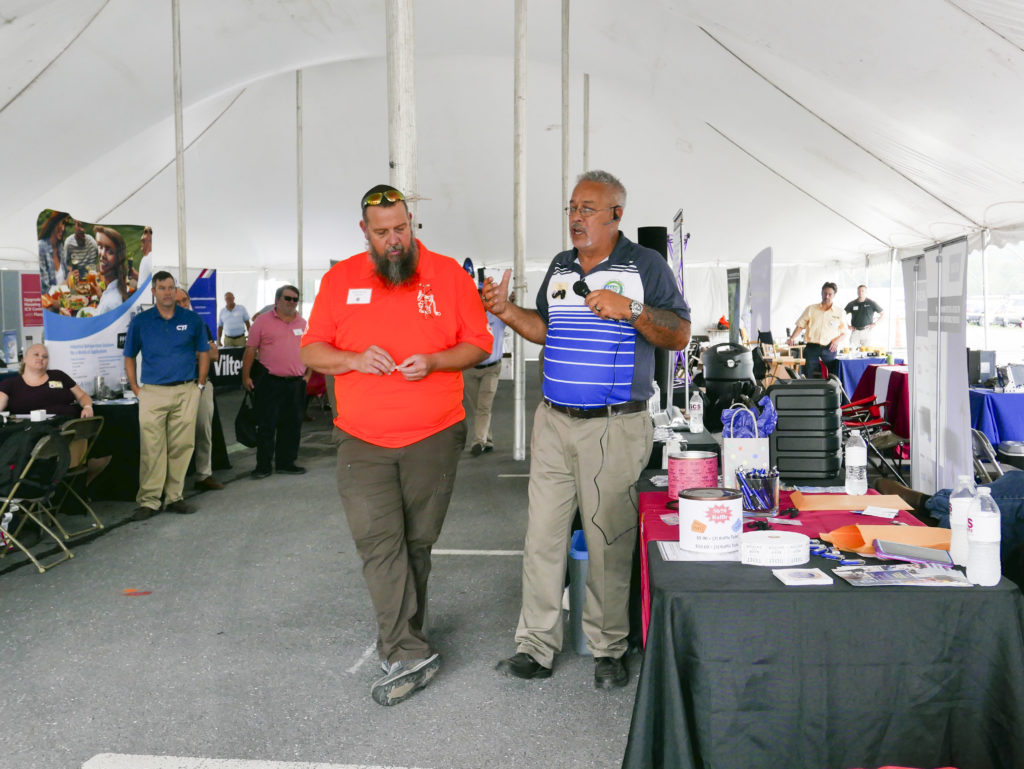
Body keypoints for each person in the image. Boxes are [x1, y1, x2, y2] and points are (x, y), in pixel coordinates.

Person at [484, 170, 691, 688]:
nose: (576, 218)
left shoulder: (646, 265)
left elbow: (680, 334)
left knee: (607, 540)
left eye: (587, 209)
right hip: (553, 421)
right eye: (572, 208)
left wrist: (633, 310)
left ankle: (608, 648)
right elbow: (545, 329)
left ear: (616, 215)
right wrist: (505, 310)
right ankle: (535, 644)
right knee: (542, 537)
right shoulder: (560, 266)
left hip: (613, 425)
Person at [300, 184, 492, 706]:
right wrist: (353, 359)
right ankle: (405, 650)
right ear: (364, 232)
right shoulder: (340, 280)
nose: (393, 240)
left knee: (416, 543)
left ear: (412, 224)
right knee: (378, 542)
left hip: (434, 434)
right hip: (361, 440)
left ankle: (406, 636)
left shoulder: (448, 275)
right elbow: (312, 349)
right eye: (382, 232)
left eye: (401, 229)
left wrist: (434, 361)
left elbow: (479, 343)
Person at [123, 271, 209, 521]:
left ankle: (174, 497)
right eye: (162, 288)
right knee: (152, 448)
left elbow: (204, 352)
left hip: (186, 390)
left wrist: (200, 385)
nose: (167, 292)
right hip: (153, 392)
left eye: (171, 287)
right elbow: (129, 355)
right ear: (154, 292)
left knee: (182, 446)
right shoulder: (141, 322)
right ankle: (149, 500)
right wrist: (135, 387)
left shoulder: (192, 319)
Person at [242, 284, 308, 479]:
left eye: (295, 299)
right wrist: (246, 376)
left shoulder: (303, 323)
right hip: (269, 382)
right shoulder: (262, 321)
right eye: (287, 298)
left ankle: (286, 463)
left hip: (296, 383)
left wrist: (308, 376)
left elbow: (310, 350)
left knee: (292, 425)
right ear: (277, 300)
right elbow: (250, 350)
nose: (291, 302)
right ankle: (263, 466)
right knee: (266, 425)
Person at [176, 287, 224, 492]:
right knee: (177, 435)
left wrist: (188, 351)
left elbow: (214, 355)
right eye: (177, 302)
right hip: (176, 385)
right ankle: (175, 482)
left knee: (203, 429)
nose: (182, 305)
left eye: (184, 300)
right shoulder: (164, 327)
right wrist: (199, 351)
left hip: (201, 384)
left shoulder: (199, 325)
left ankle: (203, 475)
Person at [463, 291, 507, 456]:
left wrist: (510, 302)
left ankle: (478, 441)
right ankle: (487, 439)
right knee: (478, 407)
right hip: (469, 369)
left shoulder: (497, 317)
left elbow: (513, 315)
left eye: (483, 299)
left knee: (483, 407)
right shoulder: (465, 317)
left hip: (491, 369)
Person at [0, 344, 94, 417]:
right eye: (36, 354)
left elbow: (82, 396)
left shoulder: (59, 375)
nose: (41, 358)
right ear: (24, 359)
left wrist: (88, 407)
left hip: (70, 426)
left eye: (45, 356)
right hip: (33, 431)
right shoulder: (10, 384)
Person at [786, 281, 846, 378]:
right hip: (811, 349)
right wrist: (792, 338)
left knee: (829, 378)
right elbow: (800, 326)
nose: (827, 296)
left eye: (830, 294)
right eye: (825, 293)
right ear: (821, 293)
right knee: (810, 377)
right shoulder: (811, 309)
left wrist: (836, 341)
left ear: (834, 295)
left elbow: (844, 333)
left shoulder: (840, 312)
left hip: (829, 349)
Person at [95, 226, 132, 314]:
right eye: (100, 246)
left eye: (110, 251)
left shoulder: (108, 305)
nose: (102, 254)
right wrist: (101, 296)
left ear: (118, 258)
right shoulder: (118, 288)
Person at [37, 210, 68, 295]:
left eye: (65, 225)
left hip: (64, 299)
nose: (63, 228)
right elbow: (45, 291)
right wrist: (66, 283)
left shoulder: (60, 247)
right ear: (54, 223)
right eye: (62, 223)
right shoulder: (41, 247)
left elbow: (66, 277)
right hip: (50, 302)